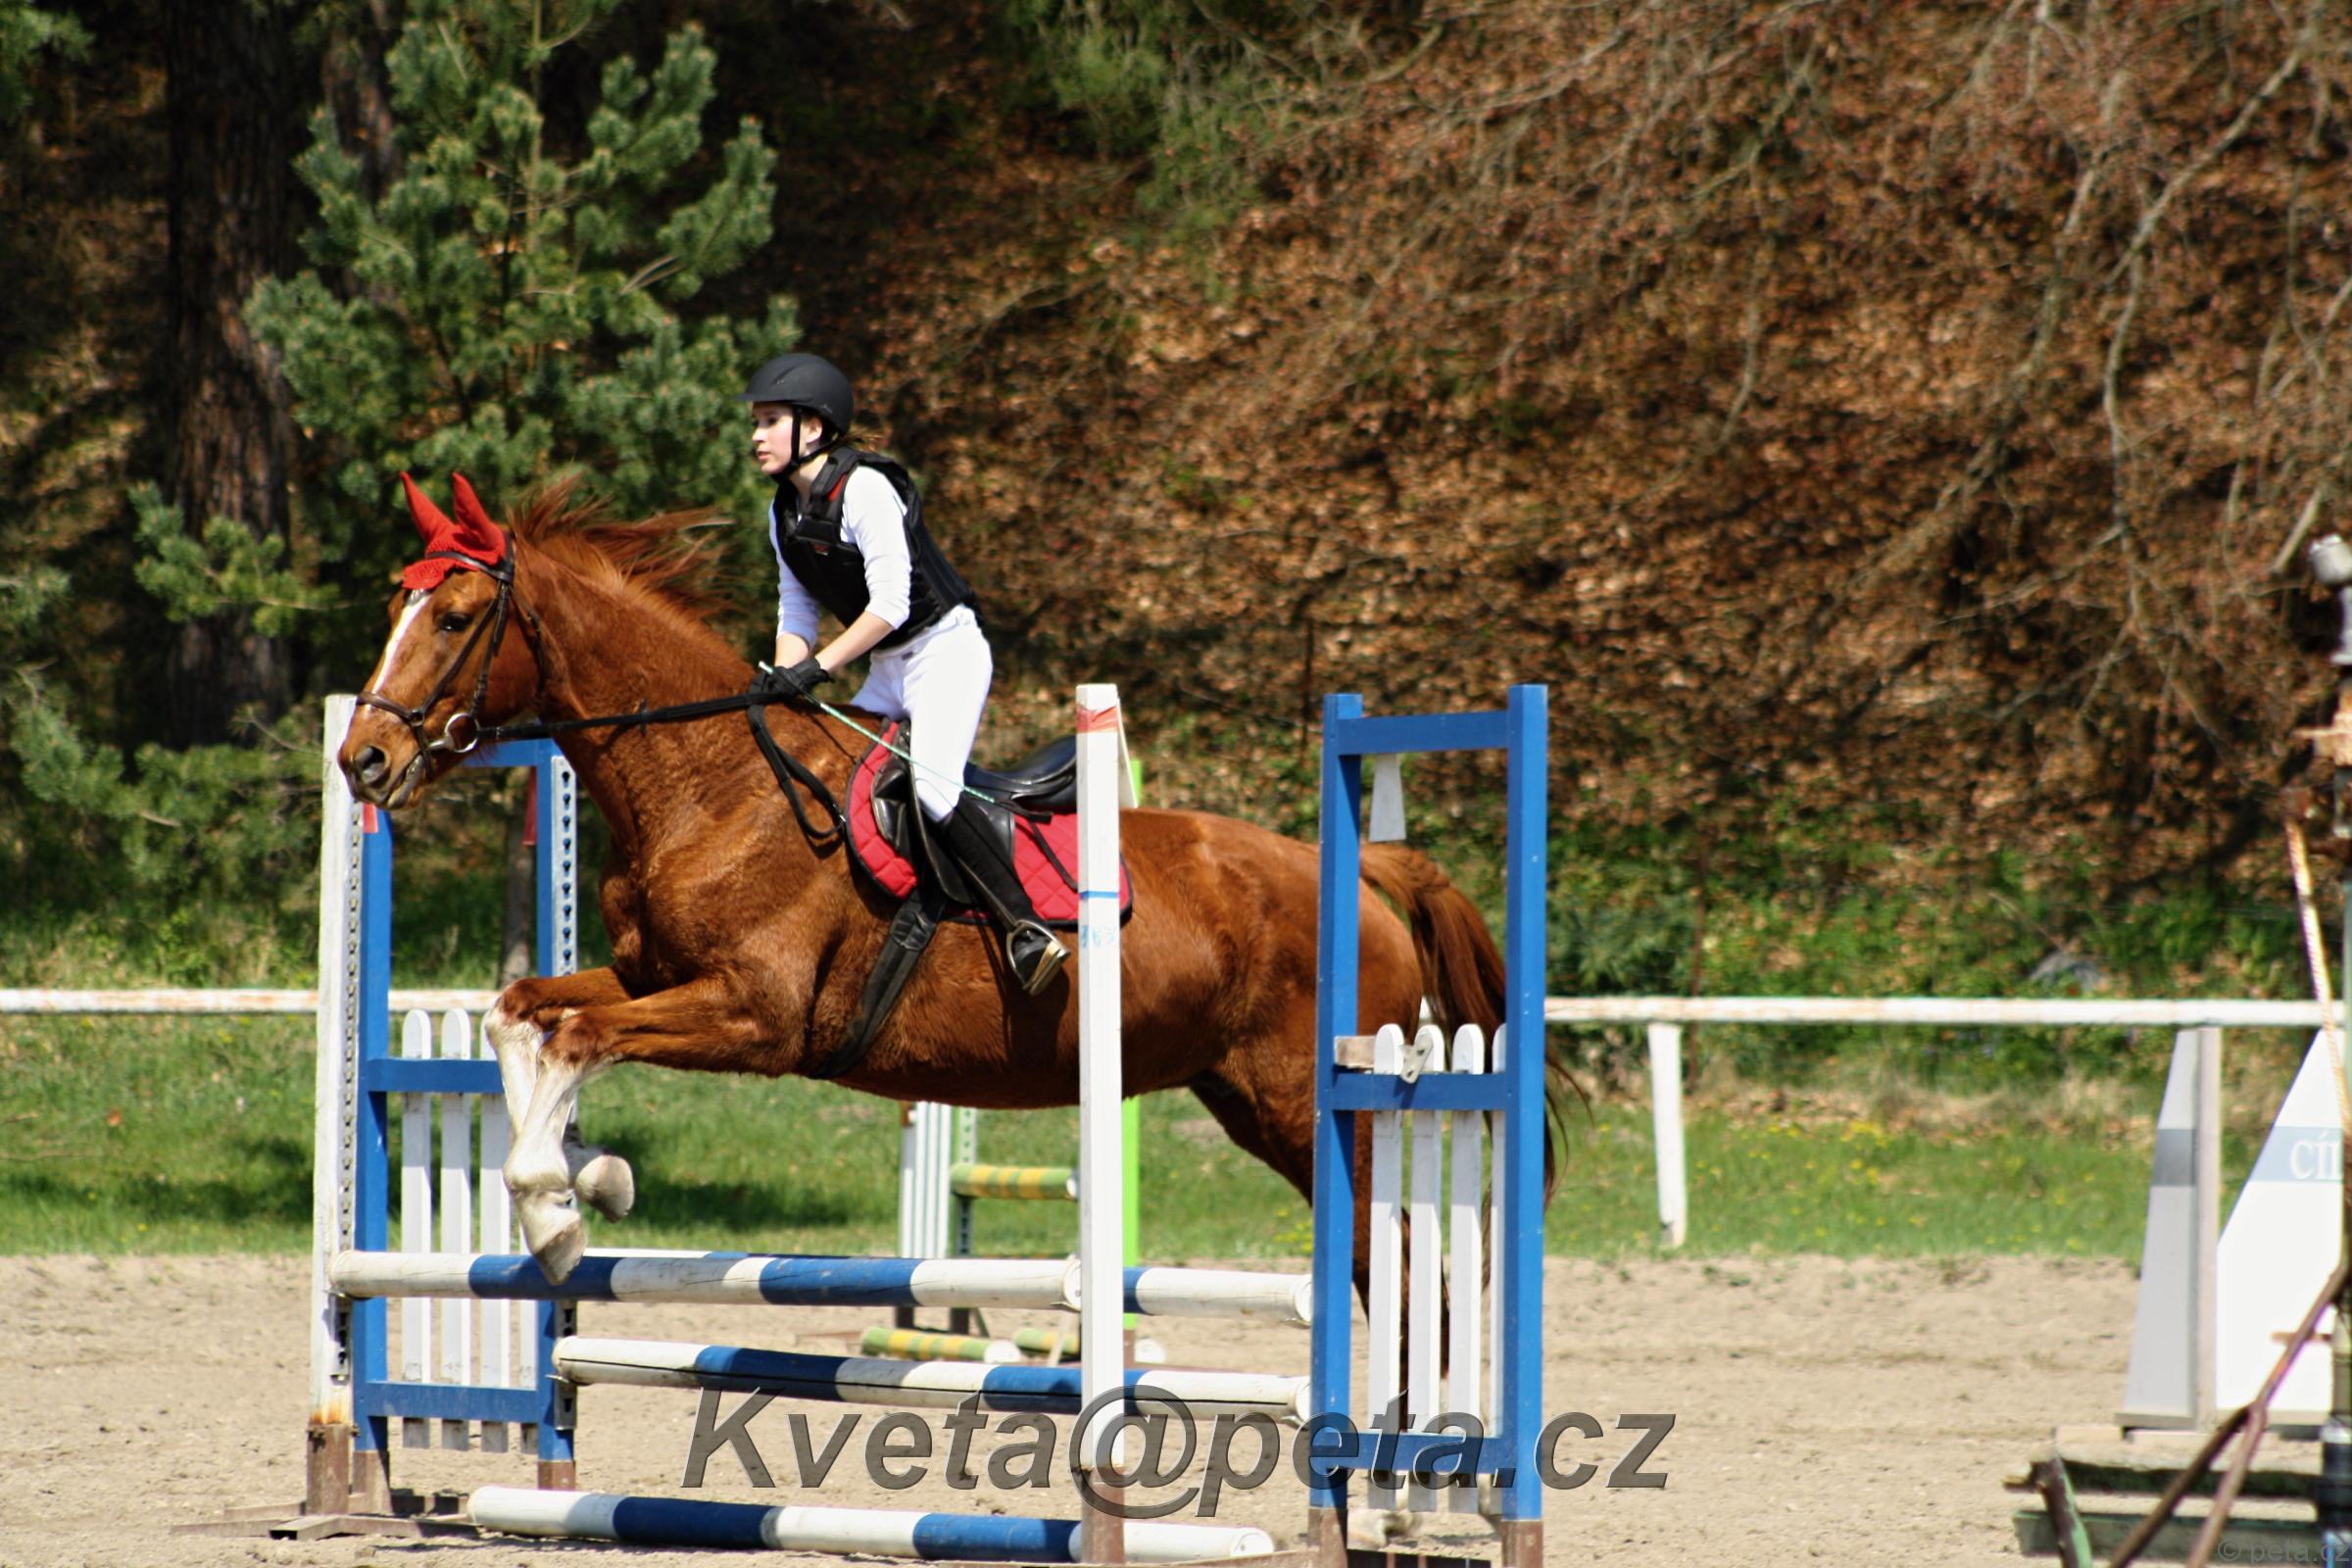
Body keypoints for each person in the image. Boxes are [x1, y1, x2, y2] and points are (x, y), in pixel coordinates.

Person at [742, 351, 1067, 995]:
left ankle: (1026, 927)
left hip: (946, 652)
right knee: (835, 777)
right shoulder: (783, 514)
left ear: (813, 427)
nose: (756, 435)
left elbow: (890, 605)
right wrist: (784, 678)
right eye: (755, 422)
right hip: (887, 667)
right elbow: (796, 612)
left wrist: (819, 669)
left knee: (934, 792)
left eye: (770, 420)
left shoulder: (865, 489)